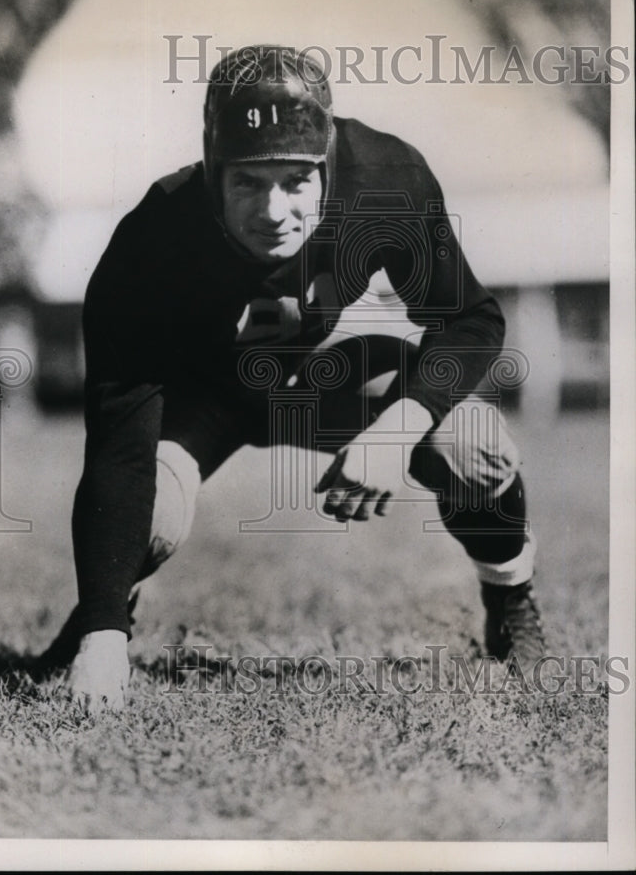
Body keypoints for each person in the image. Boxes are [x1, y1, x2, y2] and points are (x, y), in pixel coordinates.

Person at [40, 44, 545, 709]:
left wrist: (395, 431)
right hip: (205, 398)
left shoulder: (385, 180)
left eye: (295, 181)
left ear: (329, 164)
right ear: (212, 171)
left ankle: (511, 601)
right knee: (150, 512)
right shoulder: (153, 239)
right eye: (248, 183)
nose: (274, 211)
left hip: (323, 377)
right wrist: (102, 628)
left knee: (470, 441)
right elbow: (119, 447)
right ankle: (105, 615)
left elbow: (470, 322)